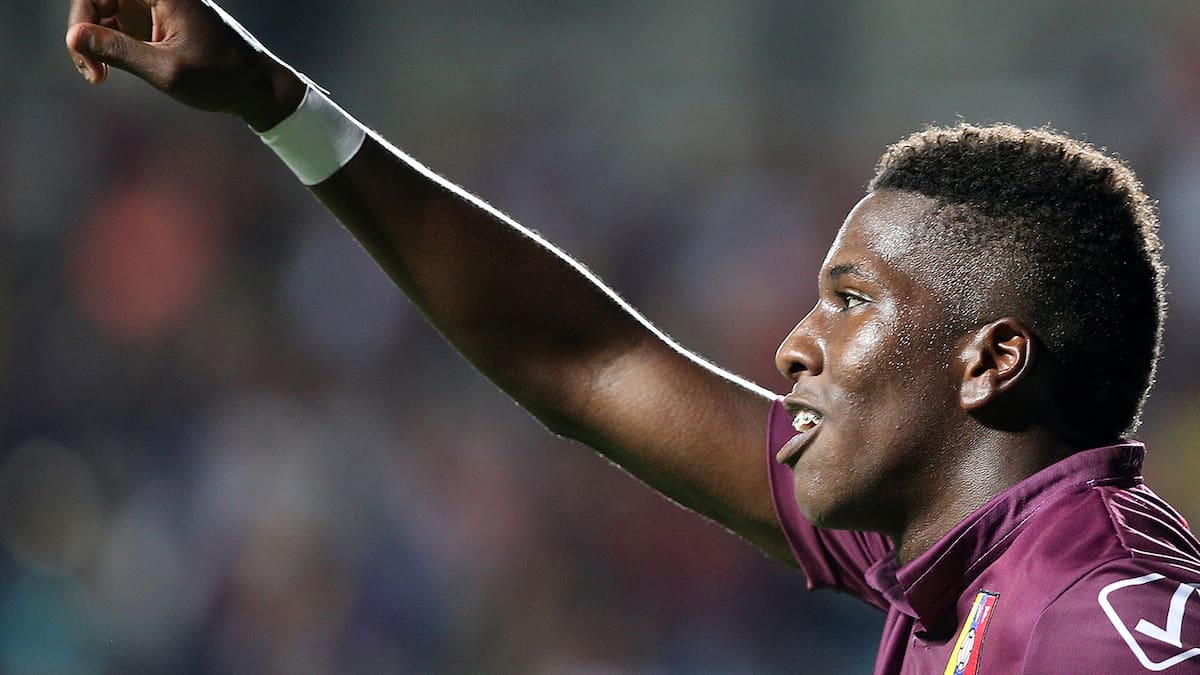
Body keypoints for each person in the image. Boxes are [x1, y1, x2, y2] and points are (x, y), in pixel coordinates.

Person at [64, 1, 1200, 673]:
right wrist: (273, 101)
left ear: (989, 362)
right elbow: (589, 363)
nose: (793, 346)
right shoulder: (943, 547)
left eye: (851, 300)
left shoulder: (1099, 617)